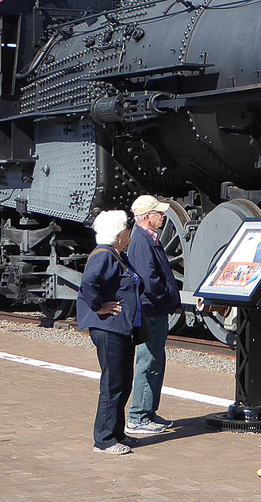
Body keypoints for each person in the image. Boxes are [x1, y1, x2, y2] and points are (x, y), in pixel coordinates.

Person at [77, 210, 141, 456]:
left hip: (120, 328)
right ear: (119, 233)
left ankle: (116, 432)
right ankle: (103, 440)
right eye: (127, 229)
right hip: (109, 328)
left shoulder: (116, 255)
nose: (129, 233)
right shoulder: (104, 255)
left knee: (123, 382)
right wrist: (99, 306)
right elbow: (88, 283)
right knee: (113, 383)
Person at [125, 194, 182, 436]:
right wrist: (165, 297)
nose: (163, 216)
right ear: (147, 217)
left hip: (154, 308)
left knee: (156, 360)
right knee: (148, 361)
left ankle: (148, 411)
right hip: (151, 309)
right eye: (159, 213)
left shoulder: (147, 238)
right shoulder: (141, 241)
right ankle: (138, 415)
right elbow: (149, 280)